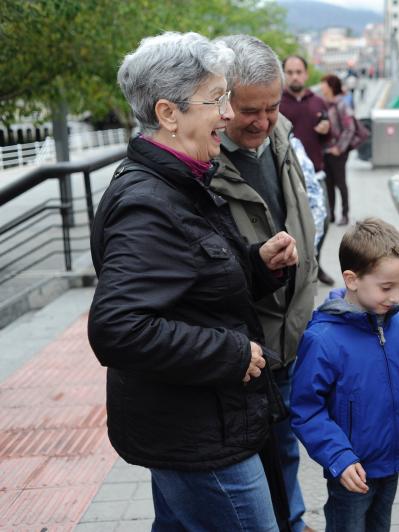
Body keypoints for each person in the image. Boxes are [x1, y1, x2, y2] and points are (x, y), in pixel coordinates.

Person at [87, 31, 299, 531]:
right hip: (199, 434)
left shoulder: (183, 181)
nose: (228, 114)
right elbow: (118, 327)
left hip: (201, 423)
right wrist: (229, 352)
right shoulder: (147, 203)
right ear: (168, 113)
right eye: (217, 99)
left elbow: (192, 283)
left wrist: (257, 263)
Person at [210, 34, 318, 532]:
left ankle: (291, 520)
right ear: (218, 100)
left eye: (272, 107)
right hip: (242, 347)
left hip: (290, 334)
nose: (263, 121)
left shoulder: (279, 135)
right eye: (249, 110)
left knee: (286, 448)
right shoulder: (201, 161)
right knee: (256, 461)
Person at [291, 218, 399, 532]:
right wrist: (338, 456)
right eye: (387, 287)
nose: (397, 297)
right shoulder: (323, 340)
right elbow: (306, 409)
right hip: (351, 470)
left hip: (391, 464)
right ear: (352, 279)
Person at [281, 54, 336, 286]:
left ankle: (315, 262)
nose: (294, 76)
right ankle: (294, 269)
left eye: (298, 71)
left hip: (316, 173)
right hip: (287, 176)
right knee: (291, 224)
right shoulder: (278, 103)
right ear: (284, 74)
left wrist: (326, 131)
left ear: (306, 73)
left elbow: (328, 139)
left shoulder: (317, 101)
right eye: (290, 72)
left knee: (324, 221)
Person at [320, 74, 356, 227]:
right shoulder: (323, 103)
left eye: (324, 84)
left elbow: (350, 128)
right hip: (326, 150)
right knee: (328, 183)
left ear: (331, 87)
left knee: (340, 183)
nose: (321, 87)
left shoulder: (341, 104)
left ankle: (345, 214)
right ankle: (332, 214)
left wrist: (339, 148)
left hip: (338, 151)